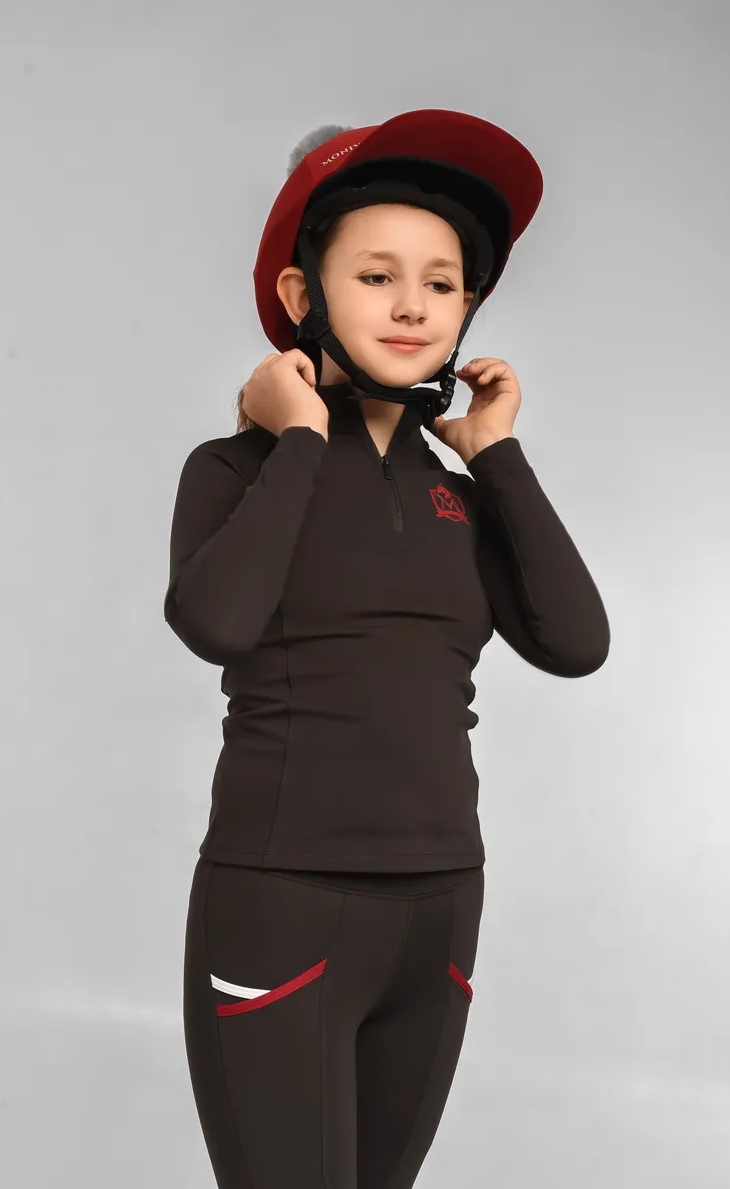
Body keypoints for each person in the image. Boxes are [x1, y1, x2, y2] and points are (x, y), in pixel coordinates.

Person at [164, 110, 611, 1189]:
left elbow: (574, 641)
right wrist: (299, 436)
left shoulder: (461, 494)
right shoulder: (234, 471)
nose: (412, 305)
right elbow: (215, 622)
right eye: (375, 275)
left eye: (441, 283)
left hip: (441, 906)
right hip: (281, 901)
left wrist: (496, 456)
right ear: (300, 294)